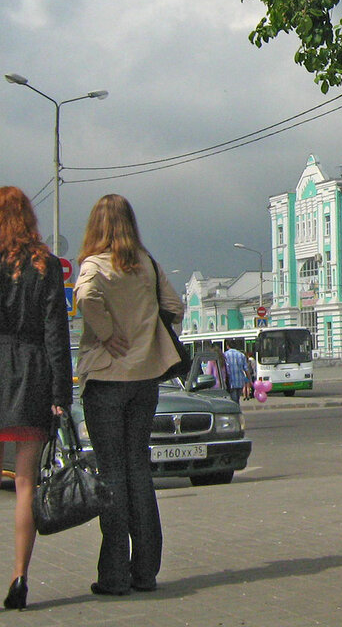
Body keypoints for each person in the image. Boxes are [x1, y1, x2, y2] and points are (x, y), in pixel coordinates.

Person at [74, 194, 184, 596]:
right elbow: (174, 305)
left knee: (112, 474)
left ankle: (115, 575)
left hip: (105, 379)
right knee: (139, 469)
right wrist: (144, 335)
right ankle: (146, 571)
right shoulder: (147, 265)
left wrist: (106, 333)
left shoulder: (94, 264)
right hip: (144, 379)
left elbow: (86, 298)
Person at [0, 187, 73, 610]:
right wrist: (60, 394)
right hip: (32, 375)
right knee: (26, 484)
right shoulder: (44, 264)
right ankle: (18, 579)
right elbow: (56, 334)